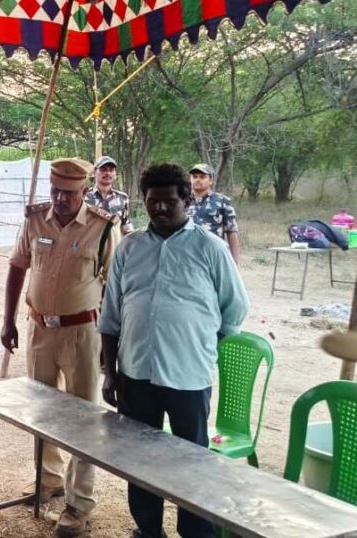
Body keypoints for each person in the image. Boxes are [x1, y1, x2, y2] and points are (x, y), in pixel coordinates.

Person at [99, 163, 249, 538]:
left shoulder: (211, 248)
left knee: (192, 460)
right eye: (153, 202)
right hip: (135, 374)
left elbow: (234, 309)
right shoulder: (129, 248)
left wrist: (200, 346)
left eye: (169, 202)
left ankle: (195, 533)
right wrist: (111, 374)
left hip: (188, 377)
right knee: (139, 458)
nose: (161, 209)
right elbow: (111, 315)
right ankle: (148, 530)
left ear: (186, 201)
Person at [0, 158, 121, 537]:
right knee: (41, 410)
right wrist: (7, 320)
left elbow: (115, 288)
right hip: (39, 329)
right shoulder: (35, 220)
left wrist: (111, 345)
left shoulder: (103, 227)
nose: (60, 198)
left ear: (84, 191)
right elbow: (17, 267)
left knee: (84, 417)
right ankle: (47, 478)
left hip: (82, 332)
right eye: (55, 191)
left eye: (69, 193)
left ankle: (79, 502)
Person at [186, 163, 240, 265]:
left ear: (211, 180)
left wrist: (235, 263)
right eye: (194, 177)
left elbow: (232, 231)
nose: (198, 180)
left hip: (214, 256)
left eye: (202, 177)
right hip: (188, 256)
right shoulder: (182, 201)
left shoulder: (222, 202)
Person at [85, 156, 134, 235]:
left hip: (116, 242)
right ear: (94, 172)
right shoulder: (84, 196)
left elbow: (126, 227)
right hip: (90, 241)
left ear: (115, 174)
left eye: (111, 170)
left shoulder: (122, 198)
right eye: (103, 169)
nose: (108, 173)